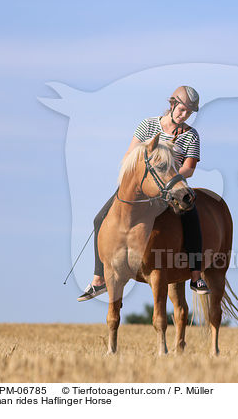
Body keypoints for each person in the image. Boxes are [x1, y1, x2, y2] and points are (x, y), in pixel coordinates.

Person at [77, 86, 209, 301]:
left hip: (170, 187)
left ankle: (195, 276)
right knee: (99, 218)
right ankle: (98, 279)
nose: (184, 115)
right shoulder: (147, 125)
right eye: (182, 109)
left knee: (191, 218)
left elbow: (189, 169)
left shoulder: (191, 136)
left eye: (189, 113)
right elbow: (130, 155)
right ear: (172, 104)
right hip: (141, 184)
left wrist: (169, 177)